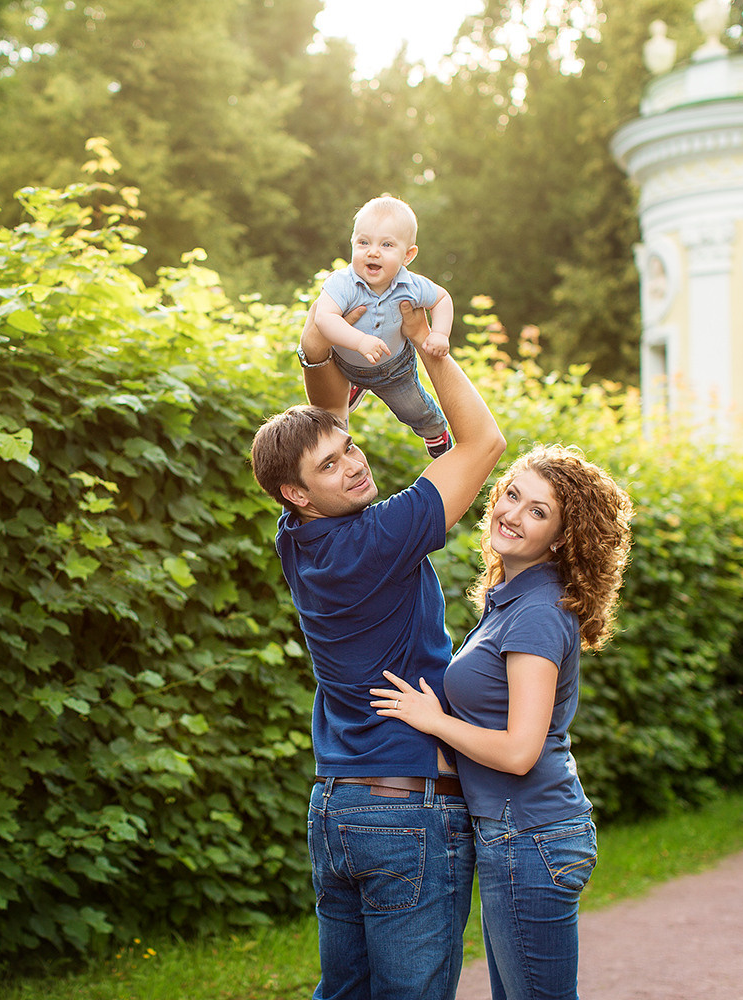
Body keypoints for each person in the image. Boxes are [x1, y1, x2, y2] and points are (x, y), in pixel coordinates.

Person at [251, 299, 505, 1000]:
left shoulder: (297, 538)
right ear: (296, 492)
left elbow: (324, 416)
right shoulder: (376, 539)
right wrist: (431, 354)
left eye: (350, 449)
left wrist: (321, 343)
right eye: (330, 467)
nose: (353, 465)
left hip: (337, 811)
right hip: (406, 813)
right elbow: (482, 444)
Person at [371, 444, 634, 1000]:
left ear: (562, 538)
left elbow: (520, 751)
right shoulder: (514, 601)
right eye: (512, 495)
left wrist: (434, 720)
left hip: (531, 835)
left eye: (539, 511)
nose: (512, 514)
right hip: (520, 834)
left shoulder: (537, 613)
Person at [310, 194, 456, 457]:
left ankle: (436, 431)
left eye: (387, 245)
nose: (373, 251)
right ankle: (356, 387)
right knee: (330, 416)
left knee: (415, 410)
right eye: (364, 242)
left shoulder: (411, 286)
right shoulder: (341, 283)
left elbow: (442, 298)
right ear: (352, 242)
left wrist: (440, 334)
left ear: (408, 255)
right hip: (345, 364)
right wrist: (359, 341)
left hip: (393, 370)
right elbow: (324, 318)